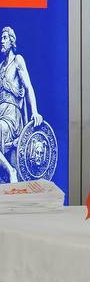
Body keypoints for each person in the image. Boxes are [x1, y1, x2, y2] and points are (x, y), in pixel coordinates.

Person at [0, 27, 44, 183]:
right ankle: (8, 170)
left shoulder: (17, 60)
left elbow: (28, 87)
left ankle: (11, 171)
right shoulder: (0, 67)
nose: (1, 41)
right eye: (1, 38)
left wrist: (35, 112)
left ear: (12, 41)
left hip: (12, 114)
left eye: (5, 38)